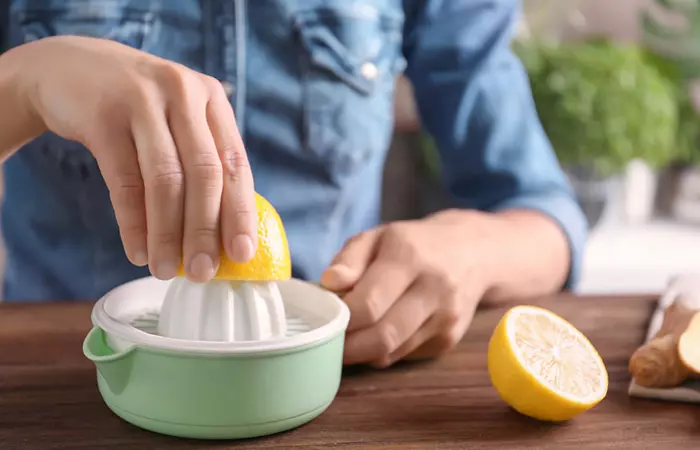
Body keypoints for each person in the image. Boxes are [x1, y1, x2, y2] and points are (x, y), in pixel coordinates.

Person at [0, 0, 587, 368]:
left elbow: (543, 215)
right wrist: (25, 82)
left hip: (334, 380)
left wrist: (473, 248)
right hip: (55, 376)